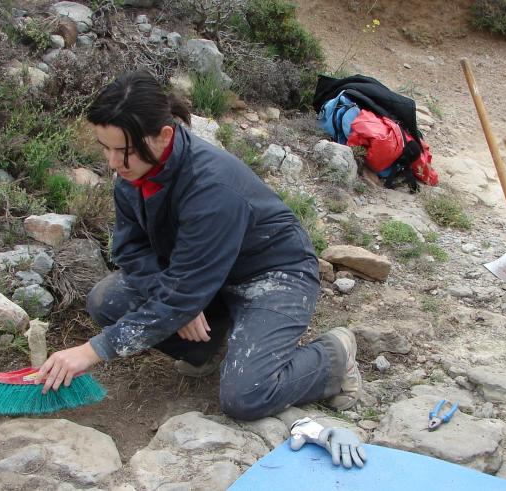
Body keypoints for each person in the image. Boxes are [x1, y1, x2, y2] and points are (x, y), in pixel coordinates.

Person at [33, 71, 361, 421]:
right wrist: (178, 301)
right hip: (208, 278)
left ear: (164, 136)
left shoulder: (212, 188)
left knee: (245, 396)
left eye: (124, 151)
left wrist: (94, 350)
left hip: (274, 274)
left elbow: (185, 288)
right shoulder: (134, 175)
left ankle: (333, 357)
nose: (113, 162)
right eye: (106, 148)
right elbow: (130, 250)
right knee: (107, 300)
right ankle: (207, 347)